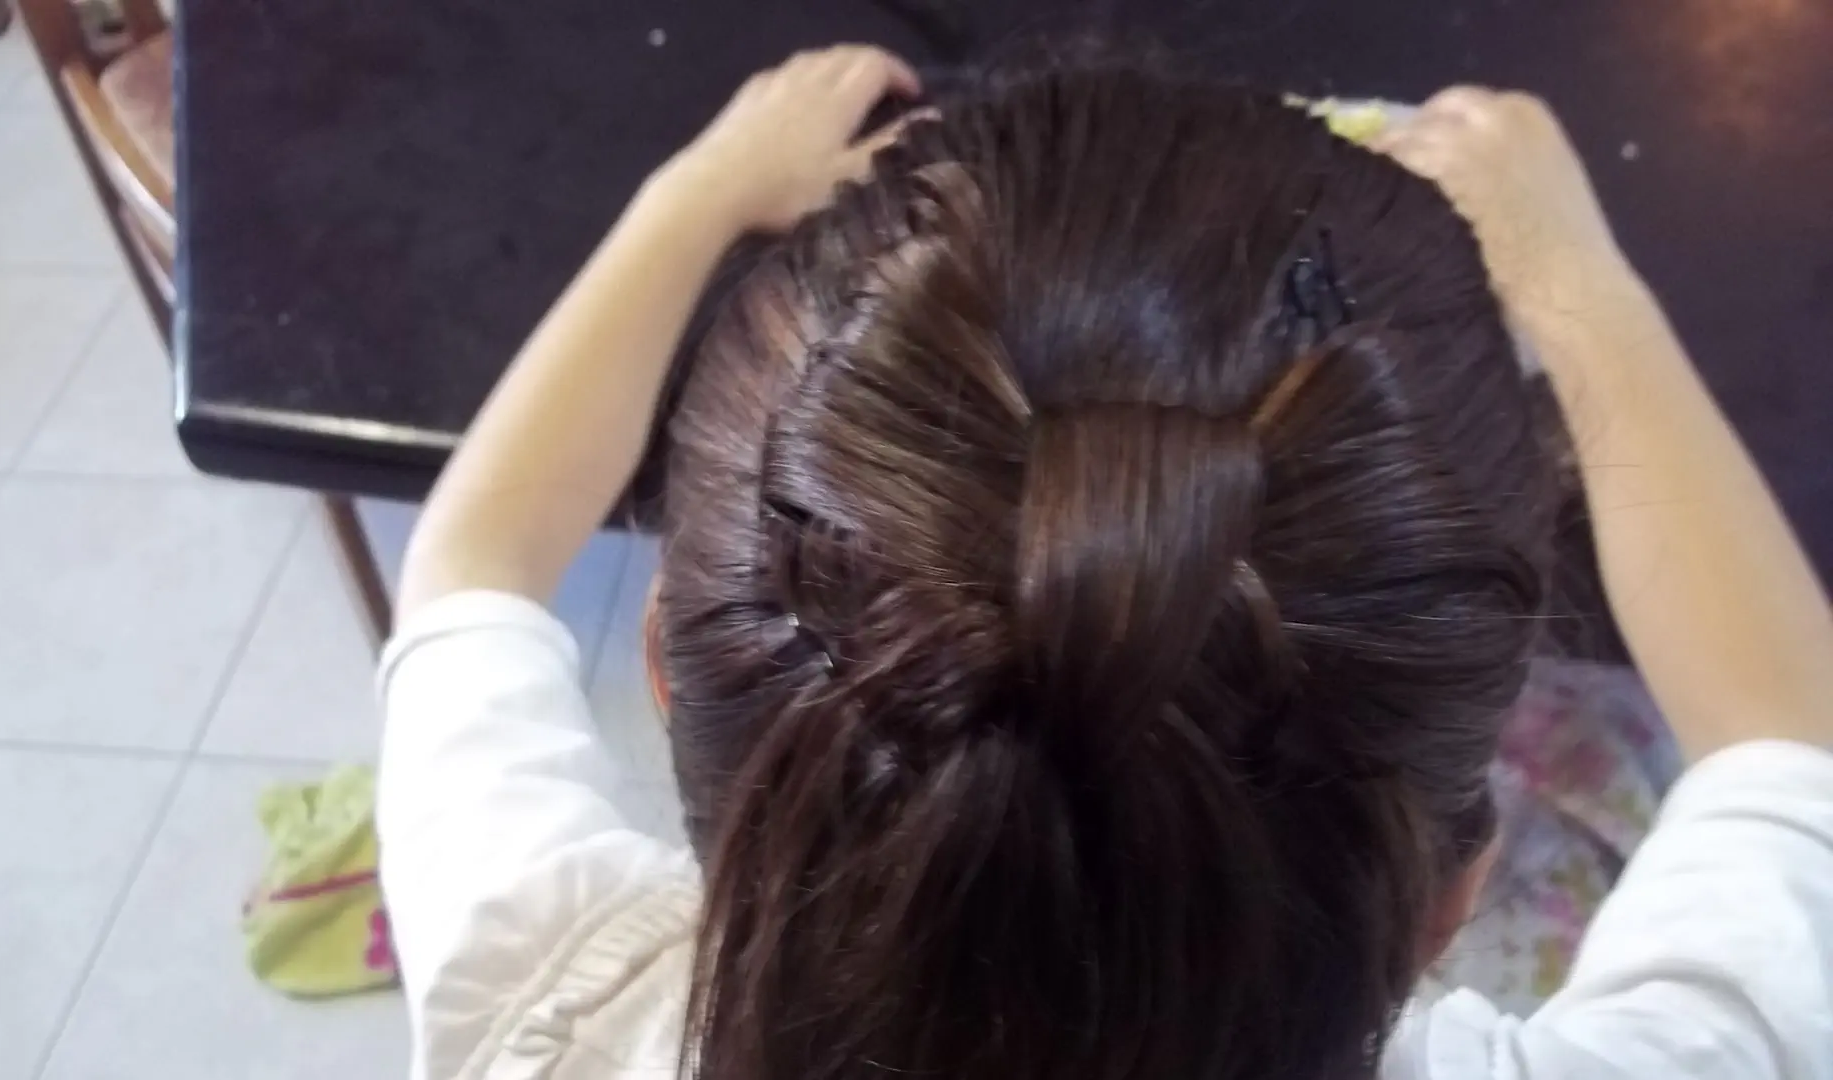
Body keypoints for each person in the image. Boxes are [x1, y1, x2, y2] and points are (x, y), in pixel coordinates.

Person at [377, 46, 1833, 1080]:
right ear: (1453, 909)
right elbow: (1796, 747)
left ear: (664, 675)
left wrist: (694, 195)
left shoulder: (555, 1007)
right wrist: (1581, 290)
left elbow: (469, 562)